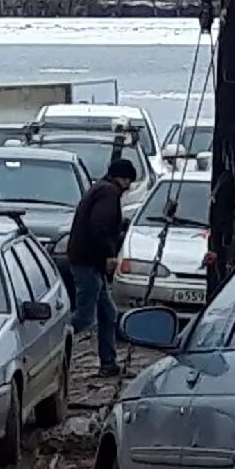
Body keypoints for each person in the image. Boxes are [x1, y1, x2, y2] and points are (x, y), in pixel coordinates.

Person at [67, 157, 137, 378]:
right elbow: (100, 227)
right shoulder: (108, 193)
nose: (129, 188)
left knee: (108, 313)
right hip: (88, 261)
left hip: (88, 260)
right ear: (123, 179)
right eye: (129, 182)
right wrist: (109, 255)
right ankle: (53, 340)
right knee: (84, 317)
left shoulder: (100, 189)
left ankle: (109, 363)